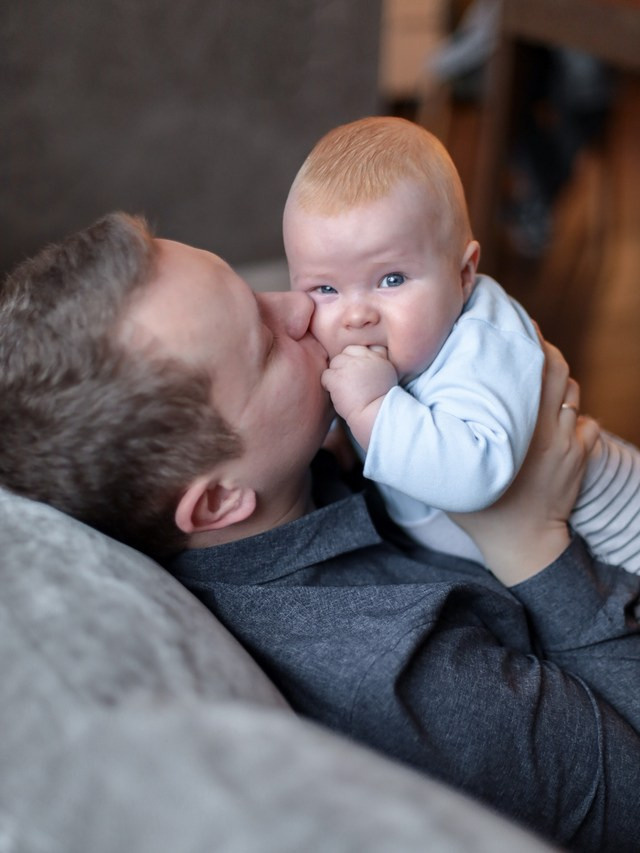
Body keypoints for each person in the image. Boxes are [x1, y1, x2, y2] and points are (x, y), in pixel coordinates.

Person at [1, 213, 640, 852]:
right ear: (222, 500)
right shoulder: (394, 671)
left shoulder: (311, 462)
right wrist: (533, 548)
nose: (301, 306)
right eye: (268, 343)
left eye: (254, 290)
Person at [283, 115, 640, 571]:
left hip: (622, 550)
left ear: (464, 274)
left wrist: (371, 408)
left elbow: (475, 475)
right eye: (325, 289)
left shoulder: (485, 340)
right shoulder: (379, 347)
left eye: (391, 279)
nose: (356, 315)